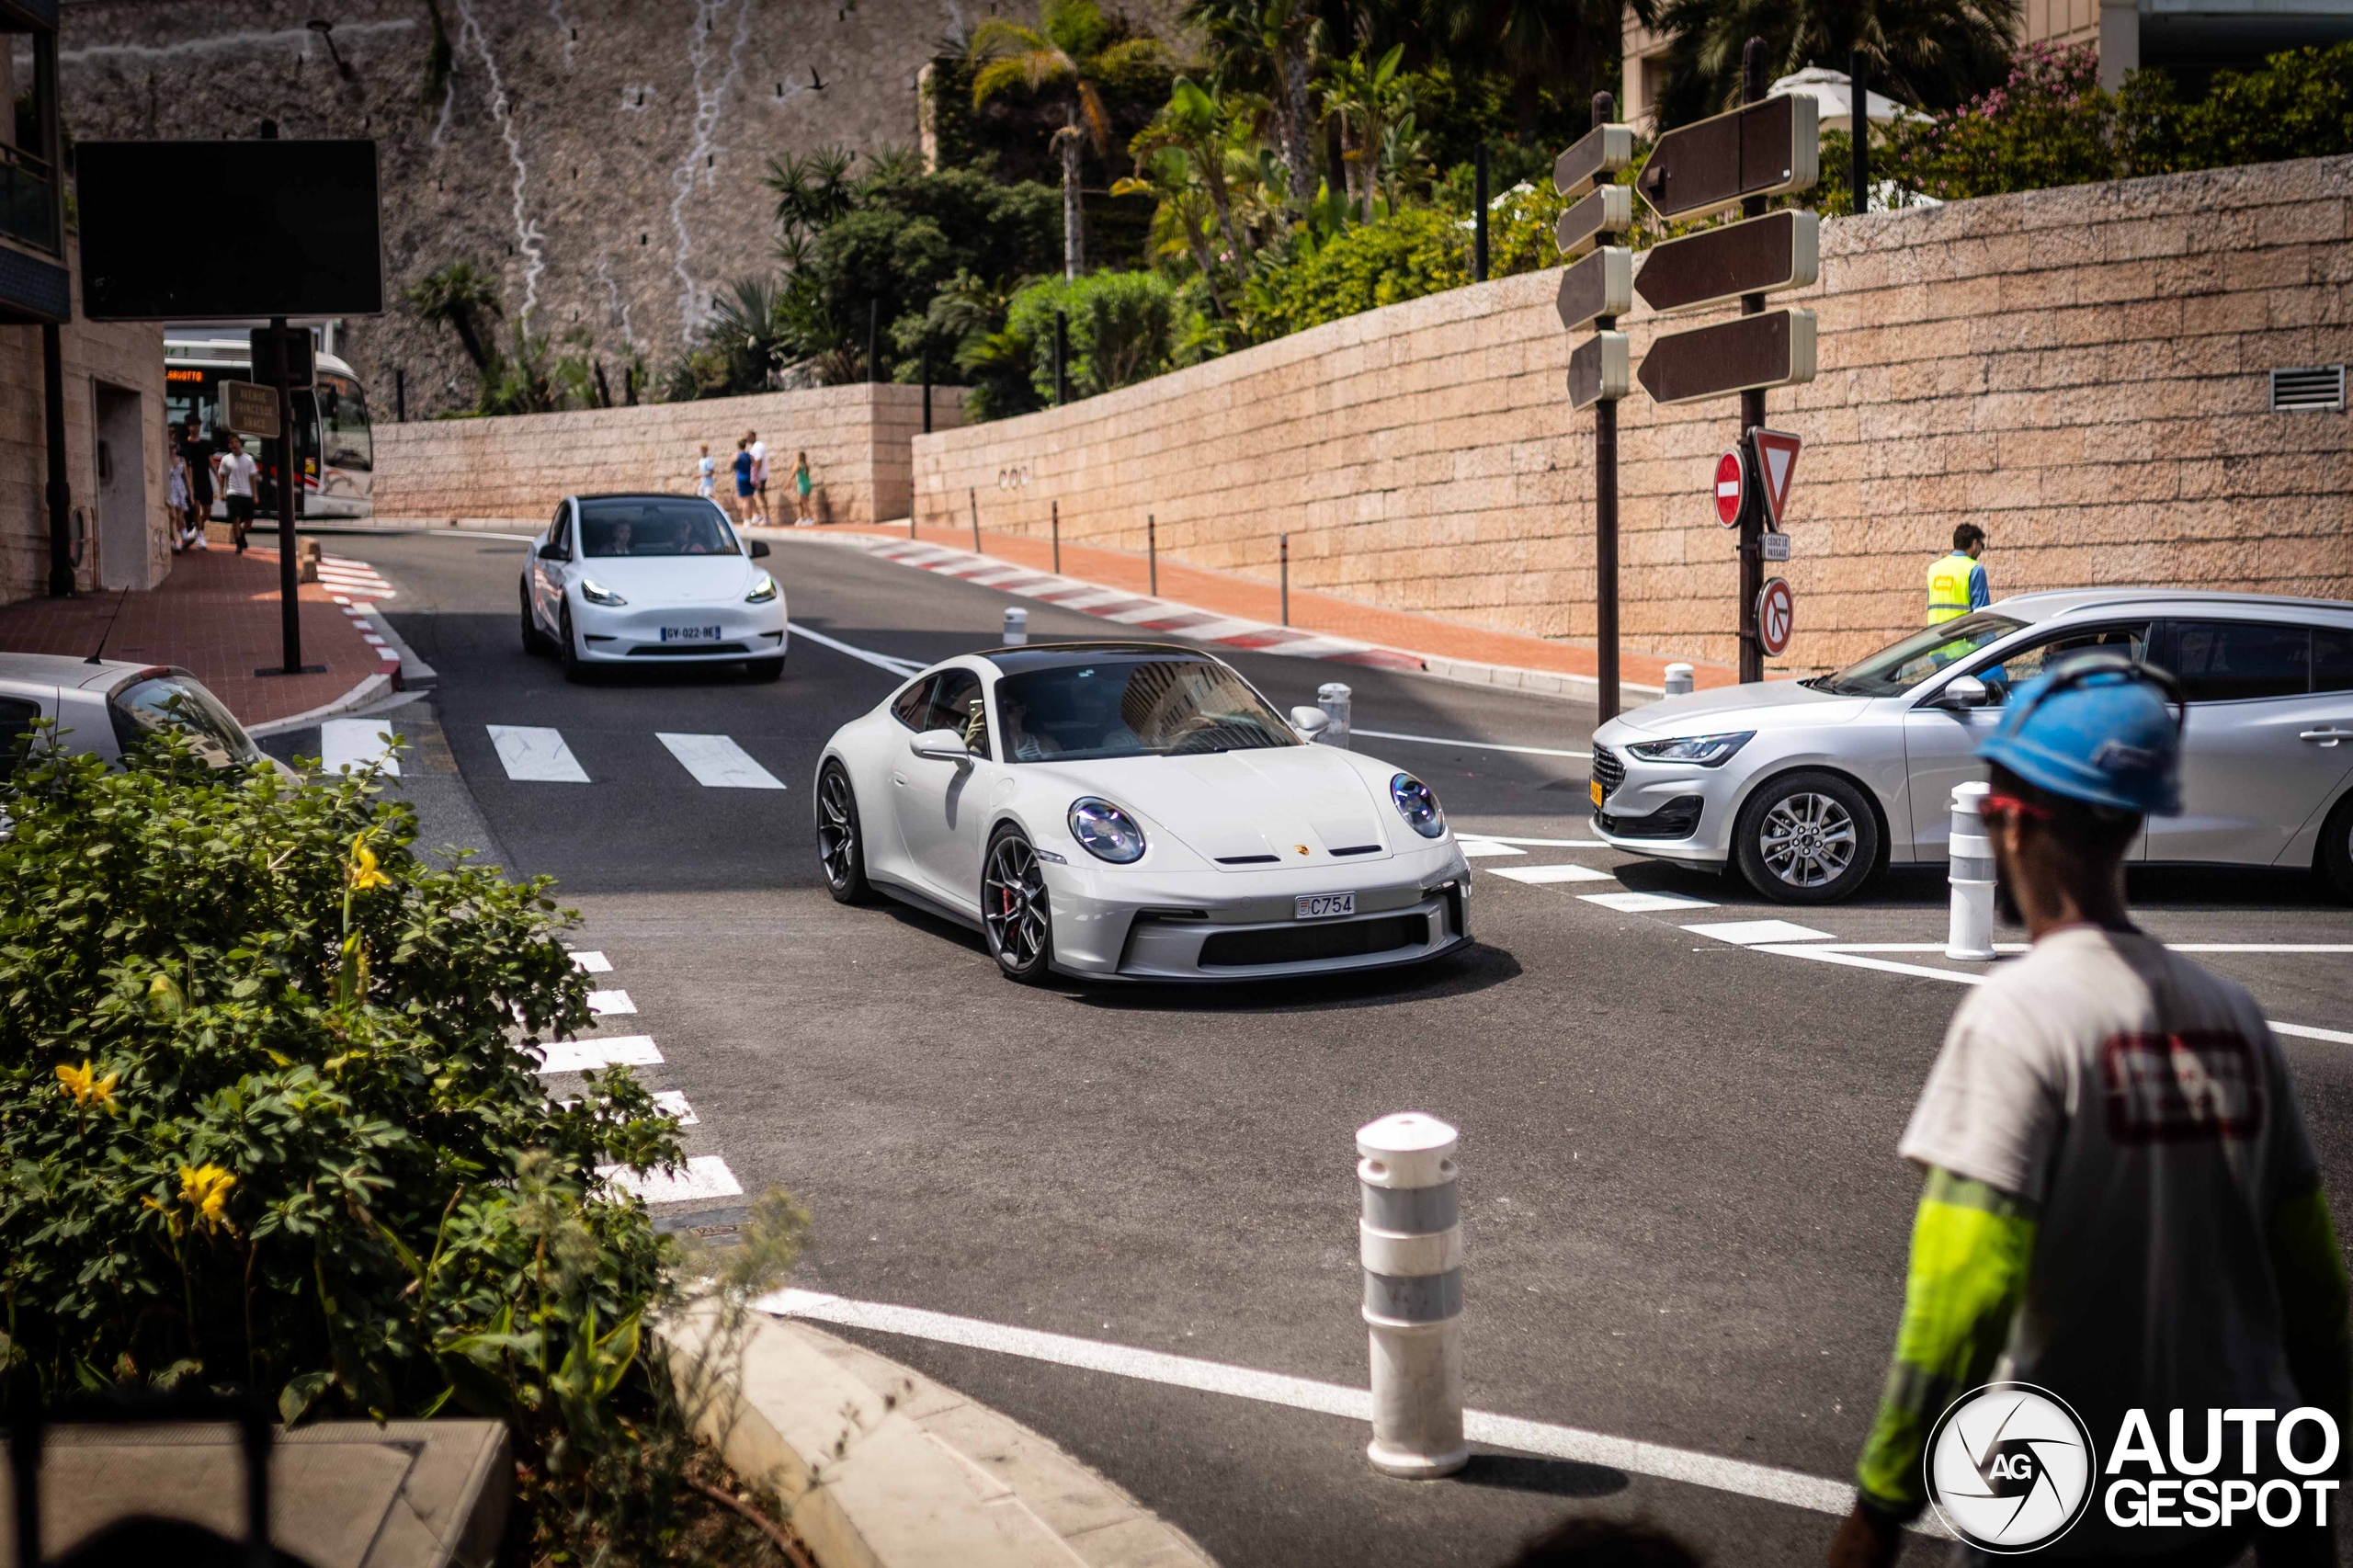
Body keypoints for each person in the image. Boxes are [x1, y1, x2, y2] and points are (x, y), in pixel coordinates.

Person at [1830, 654, 2349, 1568]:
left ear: (2010, 823)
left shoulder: (2015, 1017)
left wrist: (1879, 1505)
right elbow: (2309, 1284)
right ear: (2131, 822)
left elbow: (1961, 1297)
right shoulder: (2233, 1017)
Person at [1927, 523, 1990, 625]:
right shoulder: (1975, 569)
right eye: (1981, 545)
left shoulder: (1934, 569)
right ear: (1974, 544)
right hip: (1963, 639)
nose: (1980, 550)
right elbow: (1981, 614)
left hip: (1936, 639)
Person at [213, 433, 259, 553]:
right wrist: (221, 493)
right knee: (236, 520)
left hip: (247, 494)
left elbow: (253, 479)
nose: (234, 445)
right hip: (233, 493)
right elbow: (222, 477)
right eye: (232, 443)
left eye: (236, 442)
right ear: (229, 445)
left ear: (241, 444)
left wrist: (255, 495)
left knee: (248, 522)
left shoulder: (248, 459)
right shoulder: (226, 459)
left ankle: (242, 534)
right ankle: (238, 544)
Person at [178, 417, 214, 545]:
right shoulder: (184, 445)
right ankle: (200, 535)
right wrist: (189, 483)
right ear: (188, 427)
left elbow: (210, 461)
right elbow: (186, 465)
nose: (195, 428)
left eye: (197, 425)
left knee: (207, 510)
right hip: (193, 480)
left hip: (206, 479)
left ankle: (195, 529)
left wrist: (218, 476)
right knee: (196, 510)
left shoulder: (206, 444)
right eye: (192, 425)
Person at [165, 437, 195, 552]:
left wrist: (191, 495)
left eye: (174, 447)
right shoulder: (164, 461)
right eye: (170, 447)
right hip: (169, 488)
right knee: (172, 516)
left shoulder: (181, 460)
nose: (172, 449)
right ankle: (175, 541)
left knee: (180, 516)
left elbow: (187, 479)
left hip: (179, 489)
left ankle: (184, 537)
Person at [747, 428, 769, 524]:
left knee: (761, 496)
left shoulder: (758, 446)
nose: (747, 439)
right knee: (753, 495)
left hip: (759, 476)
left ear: (753, 436)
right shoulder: (755, 447)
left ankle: (766, 517)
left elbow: (758, 461)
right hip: (757, 476)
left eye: (748, 437)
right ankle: (758, 514)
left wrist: (756, 476)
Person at [731, 437, 755, 525]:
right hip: (749, 477)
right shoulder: (749, 455)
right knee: (750, 498)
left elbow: (732, 467)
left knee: (745, 500)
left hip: (740, 477)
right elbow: (754, 465)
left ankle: (747, 519)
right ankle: (751, 517)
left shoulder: (735, 456)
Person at [793, 450, 814, 525]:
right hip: (807, 484)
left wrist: (786, 484)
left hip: (802, 485)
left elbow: (793, 474)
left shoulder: (798, 465)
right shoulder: (806, 466)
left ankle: (809, 518)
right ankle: (801, 518)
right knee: (800, 502)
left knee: (804, 503)